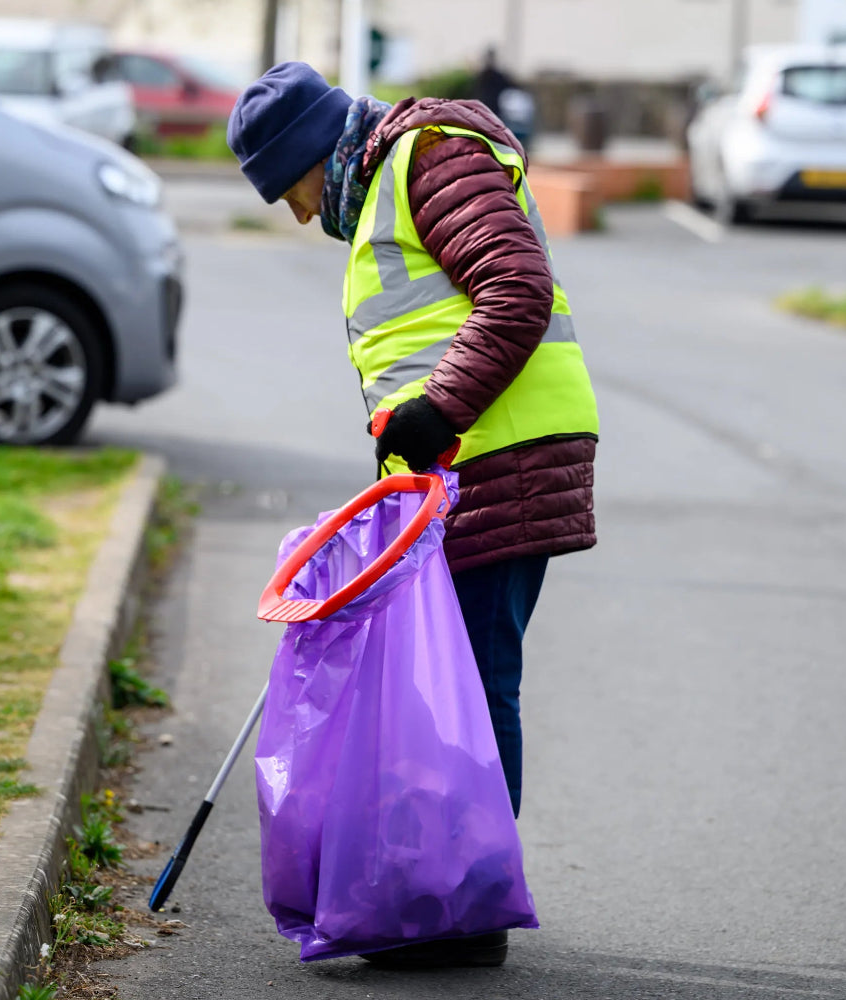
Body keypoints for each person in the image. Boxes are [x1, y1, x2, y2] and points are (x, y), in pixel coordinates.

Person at [227, 60, 599, 968]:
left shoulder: (429, 156)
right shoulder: (389, 178)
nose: (300, 215)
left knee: (475, 686)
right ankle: (444, 902)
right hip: (460, 461)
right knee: (453, 690)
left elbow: (514, 291)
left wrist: (438, 412)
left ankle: (465, 918)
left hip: (502, 454)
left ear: (319, 153)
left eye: (292, 190)